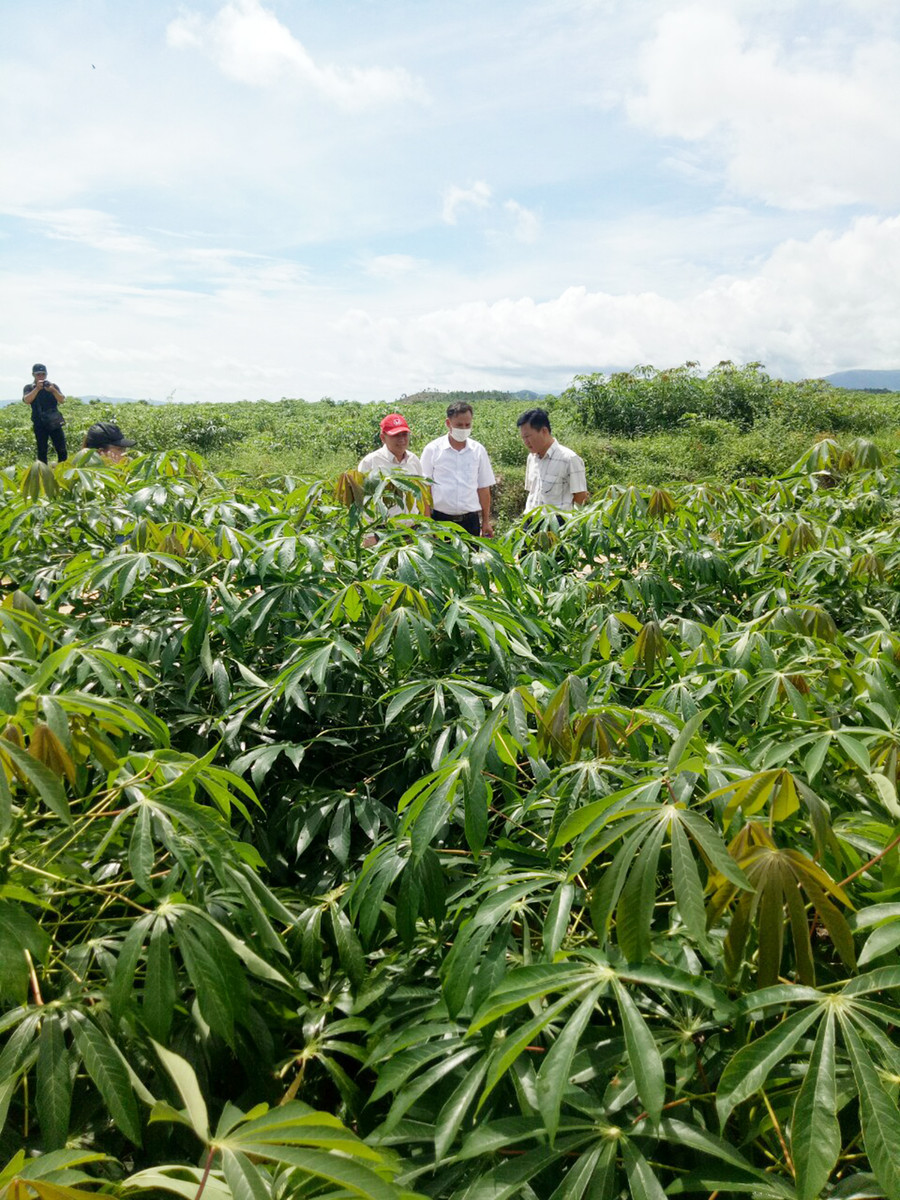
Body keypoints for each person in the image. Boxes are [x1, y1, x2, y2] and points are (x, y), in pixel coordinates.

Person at [419, 402, 495, 536]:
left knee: (471, 557)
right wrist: (427, 522)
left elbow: (483, 488)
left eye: (468, 425)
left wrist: (486, 521)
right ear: (448, 423)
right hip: (440, 521)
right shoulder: (432, 450)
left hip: (470, 522)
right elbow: (425, 488)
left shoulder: (478, 451)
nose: (464, 429)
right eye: (459, 425)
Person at [517, 408, 588, 514]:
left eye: (528, 436)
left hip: (556, 525)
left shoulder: (569, 459)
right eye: (523, 438)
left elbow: (581, 496)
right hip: (531, 522)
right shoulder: (531, 458)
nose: (526, 442)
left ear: (544, 431)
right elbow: (532, 492)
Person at [358, 413, 426, 517]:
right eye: (395, 435)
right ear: (383, 438)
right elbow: (363, 500)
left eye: (404, 434)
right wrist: (368, 533)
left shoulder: (413, 460)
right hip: (384, 529)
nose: (402, 439)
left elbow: (420, 493)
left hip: (413, 527)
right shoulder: (370, 462)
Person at [23, 364, 67, 464]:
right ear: (33, 375)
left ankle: (63, 471)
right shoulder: (29, 387)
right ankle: (43, 473)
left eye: (43, 374)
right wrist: (37, 389)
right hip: (39, 423)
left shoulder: (53, 386)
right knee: (42, 451)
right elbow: (27, 400)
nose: (41, 377)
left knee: (61, 449)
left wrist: (53, 390)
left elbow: (62, 400)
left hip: (54, 422)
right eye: (38, 374)